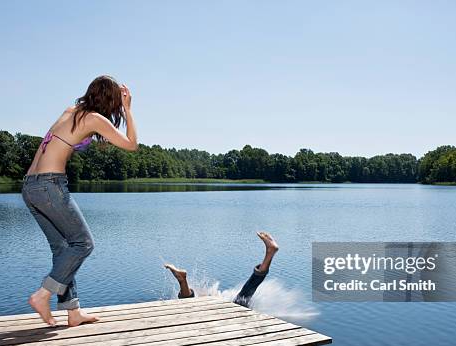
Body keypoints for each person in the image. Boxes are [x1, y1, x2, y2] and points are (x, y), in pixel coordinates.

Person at [23, 75, 138, 327]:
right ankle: (43, 294)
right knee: (83, 244)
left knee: (63, 250)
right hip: (50, 185)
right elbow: (131, 145)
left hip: (30, 186)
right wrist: (129, 111)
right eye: (117, 102)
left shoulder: (71, 111)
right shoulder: (95, 119)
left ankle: (72, 311)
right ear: (110, 100)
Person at [164, 231, 279, 307]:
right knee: (244, 295)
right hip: (224, 313)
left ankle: (183, 281)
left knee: (245, 294)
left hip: (216, 314)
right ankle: (269, 253)